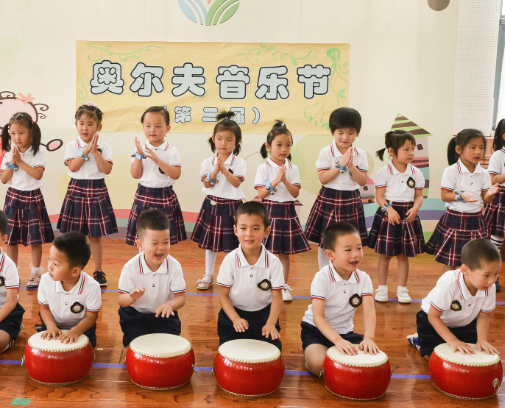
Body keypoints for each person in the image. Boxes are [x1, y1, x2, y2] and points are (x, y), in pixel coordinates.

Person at [301, 222, 379, 376]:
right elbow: (318, 317)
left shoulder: (364, 278)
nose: (355, 254)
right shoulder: (321, 278)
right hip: (316, 330)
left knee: (368, 364)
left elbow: (369, 312)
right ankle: (310, 354)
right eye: (348, 250)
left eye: (359, 248)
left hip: (345, 332)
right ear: (330, 254)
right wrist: (337, 341)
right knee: (318, 364)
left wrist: (369, 338)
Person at [407, 239, 500, 360]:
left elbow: (484, 316)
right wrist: (453, 340)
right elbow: (433, 316)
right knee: (435, 358)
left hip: (464, 323)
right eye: (486, 275)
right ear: (465, 270)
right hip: (433, 321)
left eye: (496, 274)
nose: (492, 280)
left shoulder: (489, 286)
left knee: (470, 354)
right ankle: (419, 341)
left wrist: (482, 340)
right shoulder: (449, 283)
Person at [57, 101, 117, 286]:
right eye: (81, 123)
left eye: (90, 124)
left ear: (99, 127)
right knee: (76, 236)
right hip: (76, 189)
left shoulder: (104, 146)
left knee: (95, 235)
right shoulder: (71, 145)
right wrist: (85, 150)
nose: (85, 128)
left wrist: (95, 151)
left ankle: (98, 271)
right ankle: (75, 269)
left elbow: (106, 170)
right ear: (76, 124)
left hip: (97, 190)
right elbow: (73, 167)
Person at [304, 107, 369, 270]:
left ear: (357, 132)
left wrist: (351, 165)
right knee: (326, 240)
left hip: (351, 200)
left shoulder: (360, 154)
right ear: (332, 131)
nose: (345, 137)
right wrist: (341, 165)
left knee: (350, 240)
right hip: (329, 199)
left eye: (351, 132)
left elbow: (362, 181)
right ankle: (324, 273)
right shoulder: (326, 152)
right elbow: (323, 178)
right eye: (340, 132)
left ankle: (348, 272)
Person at [425, 129, 498, 271]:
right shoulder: (451, 171)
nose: (478, 152)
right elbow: (444, 195)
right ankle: (448, 284)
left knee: (474, 261)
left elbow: (486, 199)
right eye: (473, 147)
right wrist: (459, 197)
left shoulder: (484, 173)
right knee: (451, 260)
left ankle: (468, 285)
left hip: (476, 221)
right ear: (459, 149)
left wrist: (490, 194)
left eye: (481, 148)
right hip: (455, 219)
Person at [254, 120, 310, 302]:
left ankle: (282, 285)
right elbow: (261, 194)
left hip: (287, 212)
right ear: (268, 146)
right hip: (269, 212)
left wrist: (285, 180)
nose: (284, 149)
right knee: (266, 252)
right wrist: (275, 181)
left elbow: (295, 193)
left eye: (288, 145)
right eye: (279, 145)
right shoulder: (263, 168)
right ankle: (265, 284)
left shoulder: (293, 169)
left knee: (285, 253)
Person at [216, 202, 284, 350]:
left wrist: (271, 323)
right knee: (230, 353)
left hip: (264, 315)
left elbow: (277, 297)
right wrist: (235, 319)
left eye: (256, 228)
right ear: (235, 230)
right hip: (233, 314)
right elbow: (223, 295)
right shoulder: (230, 260)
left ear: (266, 231)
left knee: (272, 352)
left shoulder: (274, 262)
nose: (249, 234)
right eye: (243, 228)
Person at [367, 130, 425, 304]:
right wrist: (388, 209)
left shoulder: (416, 172)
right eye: (406, 149)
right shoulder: (384, 172)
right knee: (385, 255)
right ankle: (382, 287)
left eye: (413, 149)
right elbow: (379, 197)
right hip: (389, 215)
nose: (411, 153)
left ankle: (402, 289)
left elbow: (419, 196)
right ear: (392, 151)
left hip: (407, 215)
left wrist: (415, 209)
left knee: (403, 255)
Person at [192, 111, 245, 290]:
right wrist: (215, 170)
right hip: (212, 205)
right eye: (220, 138)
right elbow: (207, 183)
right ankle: (208, 275)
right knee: (210, 244)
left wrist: (224, 170)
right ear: (213, 139)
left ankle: (233, 275)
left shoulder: (239, 162)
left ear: (236, 142)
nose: (223, 143)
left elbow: (236, 183)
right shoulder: (207, 162)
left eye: (229, 139)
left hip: (232, 206)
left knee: (233, 244)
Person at [0, 112, 54, 288]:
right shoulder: (9, 154)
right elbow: (4, 179)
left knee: (35, 239)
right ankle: (12, 273)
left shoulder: (38, 152)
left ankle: (35, 273)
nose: (17, 137)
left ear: (31, 131)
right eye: (13, 133)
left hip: (33, 197)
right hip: (13, 197)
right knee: (11, 239)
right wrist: (12, 163)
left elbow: (37, 174)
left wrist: (20, 162)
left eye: (21, 133)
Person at [118, 209, 186, 347]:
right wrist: (131, 297)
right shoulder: (130, 267)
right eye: (155, 243)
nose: (161, 248)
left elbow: (181, 298)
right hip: (135, 314)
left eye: (166, 242)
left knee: (167, 346)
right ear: (140, 244)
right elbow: (122, 301)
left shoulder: (174, 266)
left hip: (163, 314)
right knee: (135, 345)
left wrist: (170, 305)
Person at [127, 106, 186, 250]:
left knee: (163, 236)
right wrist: (139, 156)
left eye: (158, 126)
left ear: (167, 128)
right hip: (144, 194)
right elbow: (135, 174)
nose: (152, 130)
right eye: (148, 126)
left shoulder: (172, 151)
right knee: (143, 236)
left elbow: (176, 174)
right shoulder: (139, 149)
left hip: (164, 195)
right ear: (143, 127)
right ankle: (142, 260)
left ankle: (164, 261)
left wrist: (157, 159)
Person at [38, 232, 101, 347]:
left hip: (81, 327)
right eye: (49, 260)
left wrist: (75, 331)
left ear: (75, 271)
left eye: (55, 264)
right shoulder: (45, 280)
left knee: (85, 351)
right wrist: (51, 326)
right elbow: (44, 308)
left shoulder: (92, 287)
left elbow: (91, 317)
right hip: (53, 323)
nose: (49, 267)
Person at [483, 118, 505, 292]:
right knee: (495, 242)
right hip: (501, 199)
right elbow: (492, 179)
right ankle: (492, 276)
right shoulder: (499, 155)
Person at [0, 211, 24, 352]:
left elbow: (11, 301)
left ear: (3, 239)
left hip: (6, 312)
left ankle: (12, 333)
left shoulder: (9, 266)